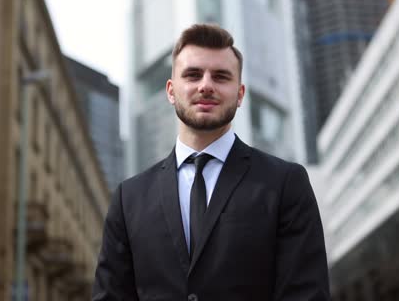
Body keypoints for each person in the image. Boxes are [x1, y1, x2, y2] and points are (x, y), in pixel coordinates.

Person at [92, 24, 330, 300]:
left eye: (220, 77)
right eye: (193, 75)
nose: (206, 86)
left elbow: (306, 294)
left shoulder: (285, 183)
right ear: (171, 91)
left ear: (240, 94)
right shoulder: (128, 198)